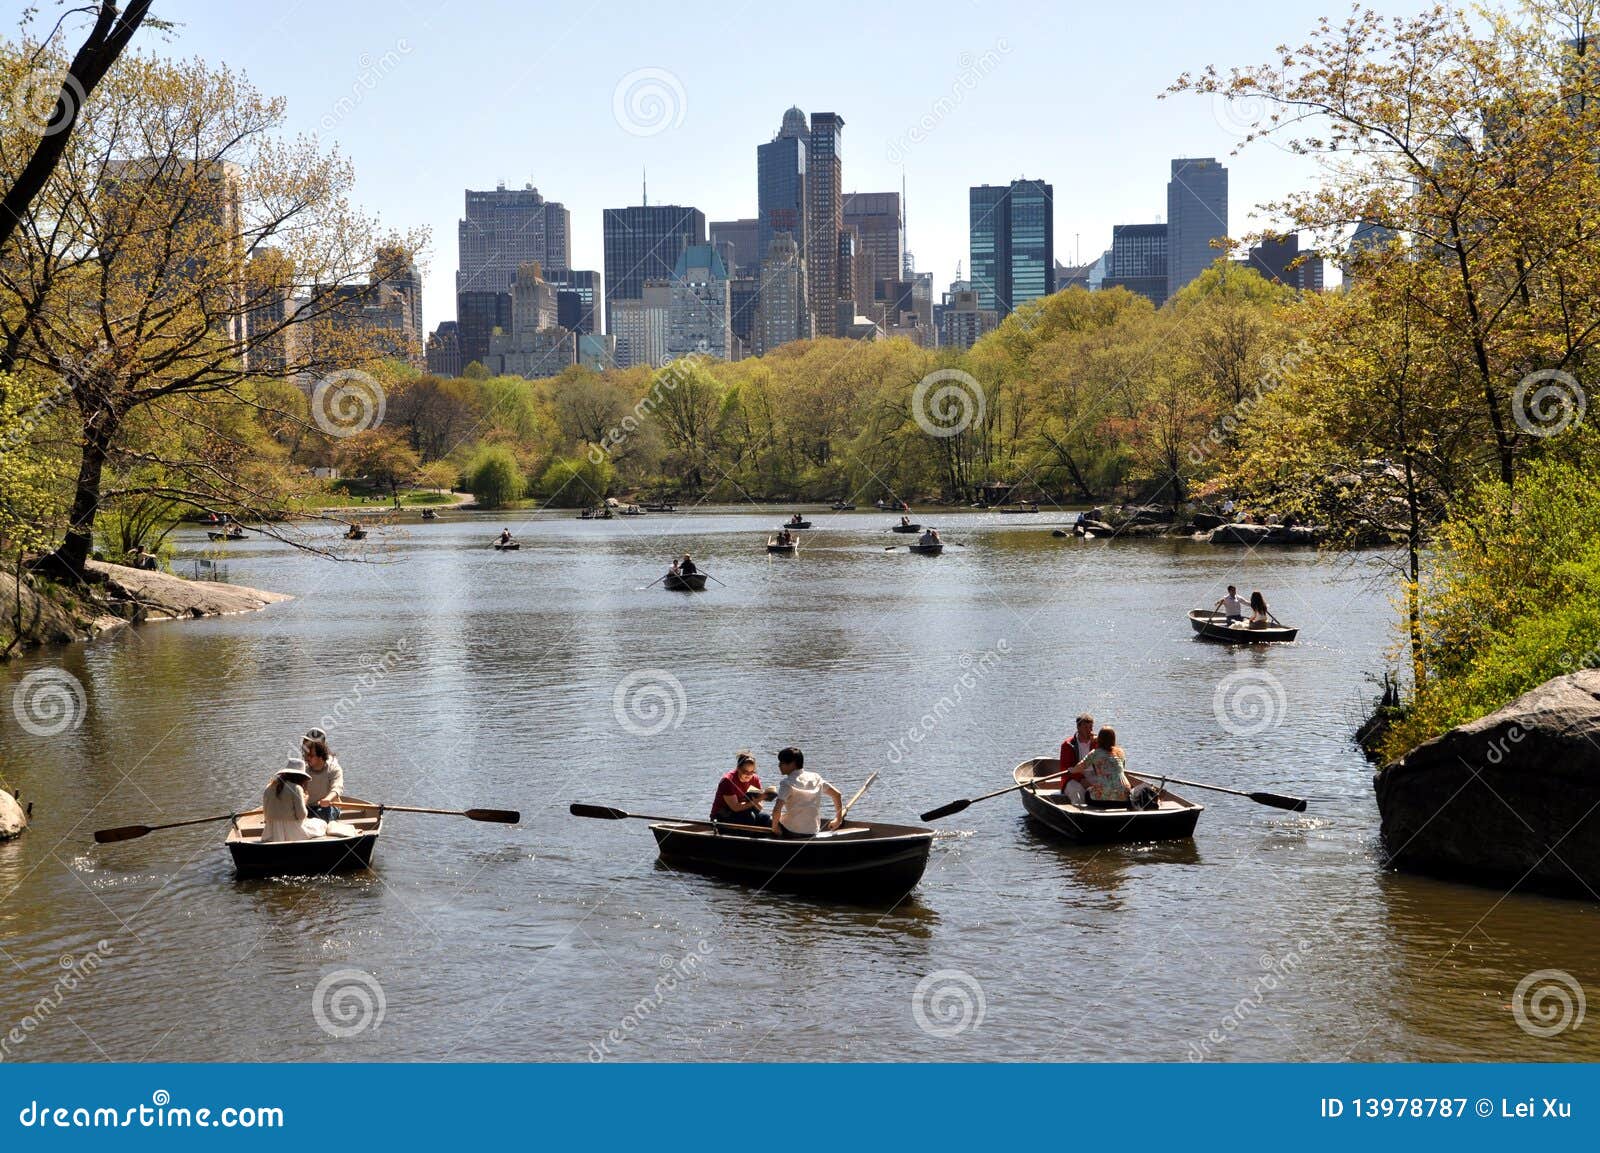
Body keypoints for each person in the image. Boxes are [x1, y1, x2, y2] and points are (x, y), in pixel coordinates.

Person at [769, 747, 843, 838]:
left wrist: (775, 828)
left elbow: (777, 809)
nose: (779, 765)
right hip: (813, 831)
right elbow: (837, 795)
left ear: (792, 764)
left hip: (792, 831)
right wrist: (838, 820)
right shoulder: (816, 778)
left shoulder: (787, 783)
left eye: (782, 762)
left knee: (765, 819)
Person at [1061, 727, 1133, 807]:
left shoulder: (1095, 753)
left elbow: (1080, 767)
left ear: (1099, 740)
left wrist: (1071, 770)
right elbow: (1122, 767)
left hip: (1104, 799)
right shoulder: (1120, 752)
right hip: (1125, 797)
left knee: (1088, 792)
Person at [261, 758, 327, 843]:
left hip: (270, 832)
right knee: (322, 824)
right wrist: (304, 801)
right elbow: (301, 816)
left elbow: (266, 816)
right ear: (301, 777)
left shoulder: (268, 787)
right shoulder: (296, 788)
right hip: (292, 832)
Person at [710, 751, 771, 827]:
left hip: (744, 812)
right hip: (722, 816)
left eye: (752, 772)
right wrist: (758, 800)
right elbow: (735, 808)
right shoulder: (728, 781)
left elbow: (760, 806)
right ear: (738, 768)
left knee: (766, 818)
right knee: (750, 818)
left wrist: (762, 798)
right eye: (745, 772)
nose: (749, 775)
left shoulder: (755, 779)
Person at [302, 732, 345, 822]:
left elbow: (337, 788)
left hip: (328, 807)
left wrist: (327, 799)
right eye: (305, 754)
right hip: (308, 807)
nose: (306, 758)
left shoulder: (333, 768)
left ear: (321, 756)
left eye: (310, 756)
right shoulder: (303, 768)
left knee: (321, 815)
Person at [1056, 714, 1096, 792]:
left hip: (1094, 774)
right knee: (1076, 791)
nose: (1089, 731)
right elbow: (1066, 768)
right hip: (1073, 777)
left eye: (1091, 727)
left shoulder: (1097, 741)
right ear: (1078, 728)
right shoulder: (1068, 745)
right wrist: (1082, 780)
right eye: (1086, 728)